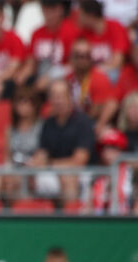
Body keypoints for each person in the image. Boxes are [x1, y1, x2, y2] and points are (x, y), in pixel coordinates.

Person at [29, 79, 94, 207]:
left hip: (85, 174)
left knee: (68, 178)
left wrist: (49, 164)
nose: (58, 101)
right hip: (53, 171)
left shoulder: (83, 122)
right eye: (54, 97)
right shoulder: (48, 123)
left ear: (70, 97)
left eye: (61, 96)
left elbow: (79, 161)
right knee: (25, 178)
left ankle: (72, 223)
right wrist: (34, 163)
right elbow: (43, 152)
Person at [17, 0, 77, 90]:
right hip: (40, 76)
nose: (49, 14)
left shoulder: (71, 31)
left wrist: (51, 76)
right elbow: (31, 61)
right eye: (46, 10)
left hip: (63, 78)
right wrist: (22, 76)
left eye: (53, 10)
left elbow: (74, 64)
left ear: (61, 9)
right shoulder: (37, 33)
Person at [65, 38, 117, 135]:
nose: (83, 60)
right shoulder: (68, 78)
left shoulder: (99, 77)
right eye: (79, 56)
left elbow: (97, 110)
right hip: (70, 122)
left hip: (91, 123)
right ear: (71, 57)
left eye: (86, 56)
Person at [75, 0, 130, 80]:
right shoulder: (83, 32)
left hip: (111, 74)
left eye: (81, 15)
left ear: (90, 16)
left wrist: (97, 72)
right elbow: (77, 59)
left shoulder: (115, 27)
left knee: (113, 74)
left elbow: (117, 62)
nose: (78, 18)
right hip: (90, 74)